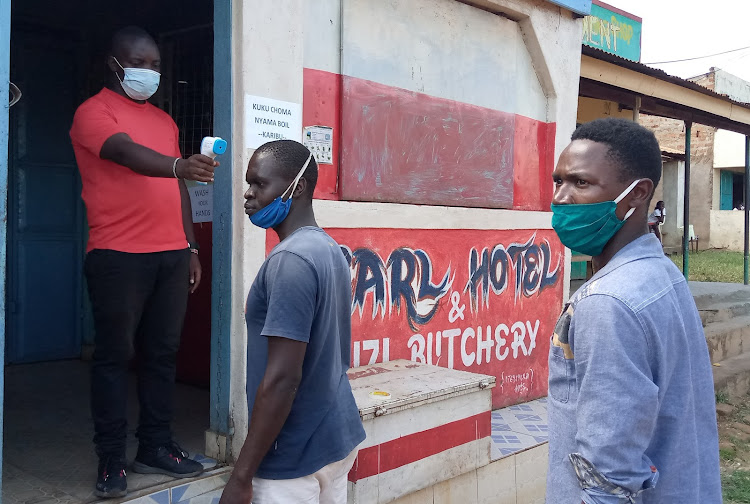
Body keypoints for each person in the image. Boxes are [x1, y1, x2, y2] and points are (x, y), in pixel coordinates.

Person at [69, 26, 216, 498]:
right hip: (117, 256)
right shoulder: (93, 113)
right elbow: (125, 154)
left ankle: (155, 445)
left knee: (162, 355)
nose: (148, 72)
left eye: (155, 65)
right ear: (115, 63)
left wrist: (190, 247)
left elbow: (179, 189)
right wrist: (178, 166)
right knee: (114, 359)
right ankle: (111, 459)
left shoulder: (166, 120)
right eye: (139, 62)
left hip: (170, 255)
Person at [547, 118, 721, 503]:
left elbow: (607, 480)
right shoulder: (660, 276)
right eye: (558, 181)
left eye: (581, 183)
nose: (560, 197)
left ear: (636, 194)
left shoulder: (608, 303)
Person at [219, 140, 365, 504]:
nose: (248, 195)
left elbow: (283, 378)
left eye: (259, 184)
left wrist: (241, 476)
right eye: (249, 184)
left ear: (295, 188)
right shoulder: (327, 248)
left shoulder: (291, 261)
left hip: (295, 457)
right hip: (334, 436)